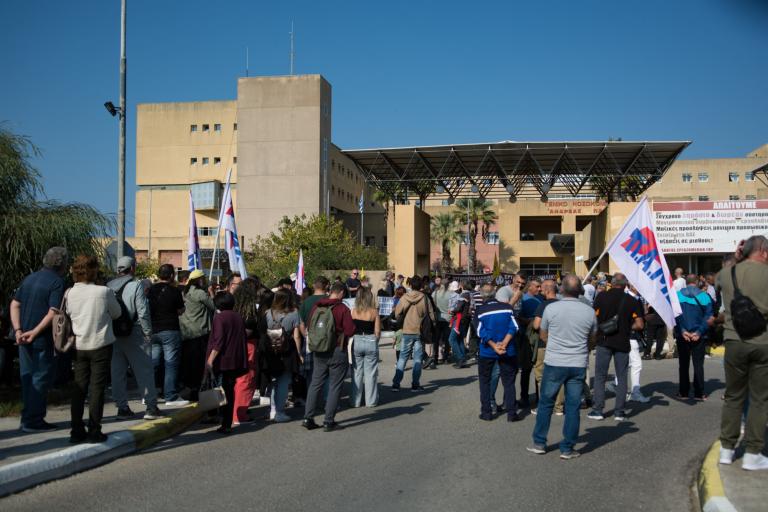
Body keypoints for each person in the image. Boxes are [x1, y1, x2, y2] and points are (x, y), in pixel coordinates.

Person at [527, 275, 597, 459]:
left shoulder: (551, 308)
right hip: (577, 362)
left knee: (546, 403)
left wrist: (556, 344)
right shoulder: (589, 311)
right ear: (580, 290)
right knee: (573, 406)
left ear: (562, 289)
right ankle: (567, 448)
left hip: (555, 361)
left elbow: (543, 334)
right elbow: (592, 339)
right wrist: (582, 347)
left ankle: (539, 443)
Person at [716, 235, 768, 470]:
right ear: (763, 251)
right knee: (759, 399)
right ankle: (752, 453)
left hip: (733, 341)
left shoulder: (728, 273)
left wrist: (737, 259)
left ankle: (726, 450)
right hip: (762, 343)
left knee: (733, 396)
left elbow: (718, 281)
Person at [9, 247, 67, 432]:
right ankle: (33, 421)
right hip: (41, 339)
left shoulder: (29, 278)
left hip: (23, 337)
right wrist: (35, 332)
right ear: (62, 264)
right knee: (40, 379)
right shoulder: (58, 282)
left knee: (27, 379)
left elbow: (14, 304)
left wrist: (18, 330)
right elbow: (53, 311)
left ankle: (27, 417)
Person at [66, 255, 121, 443]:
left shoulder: (69, 293)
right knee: (97, 389)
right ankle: (94, 430)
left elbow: (68, 314)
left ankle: (76, 430)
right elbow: (117, 313)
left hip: (79, 345)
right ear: (94, 270)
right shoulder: (104, 292)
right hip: (100, 344)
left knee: (79, 388)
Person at [107, 256, 163, 420]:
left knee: (117, 372)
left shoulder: (108, 286)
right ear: (132, 268)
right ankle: (151, 407)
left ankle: (122, 408)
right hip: (135, 332)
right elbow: (142, 311)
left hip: (114, 334)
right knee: (144, 370)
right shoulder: (136, 285)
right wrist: (148, 332)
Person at [590, 273, 643, 421]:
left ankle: (598, 410)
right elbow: (639, 324)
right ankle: (619, 412)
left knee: (600, 376)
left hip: (604, 340)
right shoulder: (631, 300)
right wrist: (626, 327)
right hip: (623, 341)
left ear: (611, 283)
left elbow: (593, 318)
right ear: (625, 285)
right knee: (622, 376)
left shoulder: (601, 297)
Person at [302, 282, 355, 431]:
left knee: (315, 383)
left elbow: (309, 325)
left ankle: (308, 418)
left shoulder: (317, 307)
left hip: (319, 349)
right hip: (337, 349)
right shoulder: (342, 308)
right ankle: (328, 421)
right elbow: (350, 330)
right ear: (341, 293)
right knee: (335, 385)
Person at [474, 283, 520, 421]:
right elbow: (514, 326)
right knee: (509, 382)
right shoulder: (507, 308)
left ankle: (486, 412)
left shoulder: (480, 310)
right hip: (507, 349)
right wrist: (504, 343)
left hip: (487, 351)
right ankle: (512, 413)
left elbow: (480, 331)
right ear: (494, 294)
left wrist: (494, 345)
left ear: (482, 295)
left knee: (485, 381)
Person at [206, 292, 247, 434]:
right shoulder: (238, 316)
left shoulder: (219, 317)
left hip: (222, 360)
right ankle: (227, 422)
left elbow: (219, 340)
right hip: (235, 359)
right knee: (229, 390)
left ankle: (224, 420)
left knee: (221, 390)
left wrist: (210, 359)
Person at [148, 264, 189, 406]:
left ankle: (149, 393)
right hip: (170, 330)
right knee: (170, 364)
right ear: (172, 275)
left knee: (154, 362)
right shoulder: (174, 291)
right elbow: (180, 310)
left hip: (154, 330)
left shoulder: (151, 290)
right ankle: (170, 395)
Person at [260, 288, 302, 422]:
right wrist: (299, 354)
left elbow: (262, 332)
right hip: (287, 351)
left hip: (271, 351)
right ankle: (280, 412)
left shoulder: (268, 313)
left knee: (274, 382)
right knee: (284, 382)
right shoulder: (294, 313)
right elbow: (296, 336)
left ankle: (272, 410)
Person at [671, 273, 713, 403]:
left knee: (683, 364)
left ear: (685, 282)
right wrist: (699, 332)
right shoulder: (705, 296)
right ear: (697, 281)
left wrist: (683, 330)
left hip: (682, 335)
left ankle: (683, 392)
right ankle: (699, 393)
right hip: (699, 335)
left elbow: (675, 315)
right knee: (698, 364)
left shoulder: (677, 295)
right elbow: (708, 317)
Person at [391, 275, 436, 391]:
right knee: (417, 359)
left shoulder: (404, 297)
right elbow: (431, 315)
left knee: (402, 358)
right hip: (419, 331)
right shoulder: (424, 298)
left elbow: (397, 313)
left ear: (410, 285)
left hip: (406, 330)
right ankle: (415, 385)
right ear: (421, 285)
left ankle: (396, 384)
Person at [179, 269, 215, 402]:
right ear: (199, 280)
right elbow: (214, 306)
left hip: (186, 332)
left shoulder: (184, 292)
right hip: (200, 332)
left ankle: (189, 390)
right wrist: (211, 293)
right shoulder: (200, 293)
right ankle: (197, 391)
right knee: (199, 364)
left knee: (189, 364)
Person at [231, 277, 262, 424]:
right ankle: (239, 414)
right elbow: (250, 328)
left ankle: (235, 411)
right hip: (248, 345)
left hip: (234, 345)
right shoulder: (250, 310)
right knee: (246, 378)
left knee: (237, 378)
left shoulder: (234, 305)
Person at [531, 279, 563, 415]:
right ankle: (559, 407)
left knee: (541, 376)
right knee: (558, 377)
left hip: (544, 345)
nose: (540, 290)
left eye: (542, 288)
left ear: (548, 290)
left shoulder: (543, 305)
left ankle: (544, 406)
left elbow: (536, 325)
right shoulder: (562, 304)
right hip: (561, 345)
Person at [350, 287, 381, 407]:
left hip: (357, 340)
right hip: (370, 340)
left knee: (356, 372)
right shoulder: (374, 312)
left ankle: (355, 401)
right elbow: (377, 332)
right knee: (371, 373)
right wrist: (375, 341)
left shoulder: (353, 311)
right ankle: (371, 401)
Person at [517, 279, 542, 408]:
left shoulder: (541, 299)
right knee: (526, 369)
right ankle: (524, 397)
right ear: (530, 287)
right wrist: (530, 322)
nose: (539, 289)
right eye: (537, 286)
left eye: (540, 286)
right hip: (526, 338)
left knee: (539, 368)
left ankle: (539, 397)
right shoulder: (523, 299)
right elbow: (517, 316)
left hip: (539, 337)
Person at [626, 284, 651, 403]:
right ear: (631, 286)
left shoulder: (638, 299)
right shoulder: (629, 299)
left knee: (626, 363)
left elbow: (643, 314)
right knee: (636, 364)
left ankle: (616, 383)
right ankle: (635, 392)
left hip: (633, 336)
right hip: (630, 336)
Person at [447, 281, 472, 368]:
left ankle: (460, 358)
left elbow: (458, 308)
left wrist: (452, 311)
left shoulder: (463, 296)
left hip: (458, 319)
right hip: (463, 320)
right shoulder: (467, 295)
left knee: (451, 339)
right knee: (459, 339)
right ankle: (463, 359)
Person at [433, 280, 455, 365]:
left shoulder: (435, 293)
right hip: (448, 318)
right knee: (447, 339)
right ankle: (446, 357)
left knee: (436, 339)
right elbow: (453, 307)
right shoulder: (451, 295)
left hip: (438, 318)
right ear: (448, 285)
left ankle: (435, 357)